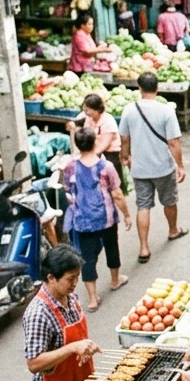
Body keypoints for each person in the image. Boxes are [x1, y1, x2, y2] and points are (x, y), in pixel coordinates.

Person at [24, 246, 102, 381]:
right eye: (70, 278)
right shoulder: (38, 313)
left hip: (82, 380)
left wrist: (85, 347)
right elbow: (34, 364)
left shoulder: (71, 297)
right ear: (51, 278)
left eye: (77, 277)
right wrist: (72, 348)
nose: (75, 282)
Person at [118, 72, 188, 264]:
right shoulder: (166, 111)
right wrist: (180, 165)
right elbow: (173, 142)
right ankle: (173, 230)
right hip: (162, 167)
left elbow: (124, 138)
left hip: (139, 168)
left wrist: (125, 156)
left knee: (143, 206)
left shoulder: (129, 110)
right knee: (169, 200)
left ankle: (143, 248)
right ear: (157, 88)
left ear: (139, 89)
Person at [64, 128, 132, 312]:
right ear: (95, 143)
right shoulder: (106, 167)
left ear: (78, 145)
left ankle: (93, 299)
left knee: (87, 259)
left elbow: (68, 191)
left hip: (82, 222)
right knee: (112, 248)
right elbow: (117, 194)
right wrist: (126, 214)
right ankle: (115, 280)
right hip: (106, 218)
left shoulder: (70, 166)